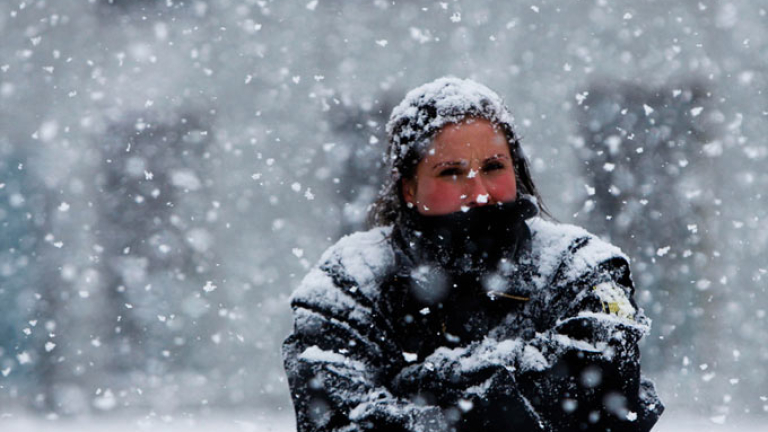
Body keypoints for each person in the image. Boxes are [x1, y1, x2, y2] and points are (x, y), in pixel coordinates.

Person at [282, 77, 664, 431]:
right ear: (409, 189)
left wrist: (417, 385)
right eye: (451, 172)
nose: (479, 191)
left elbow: (599, 397)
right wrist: (511, 392)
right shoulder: (348, 281)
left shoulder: (581, 267)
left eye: (494, 167)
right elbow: (338, 421)